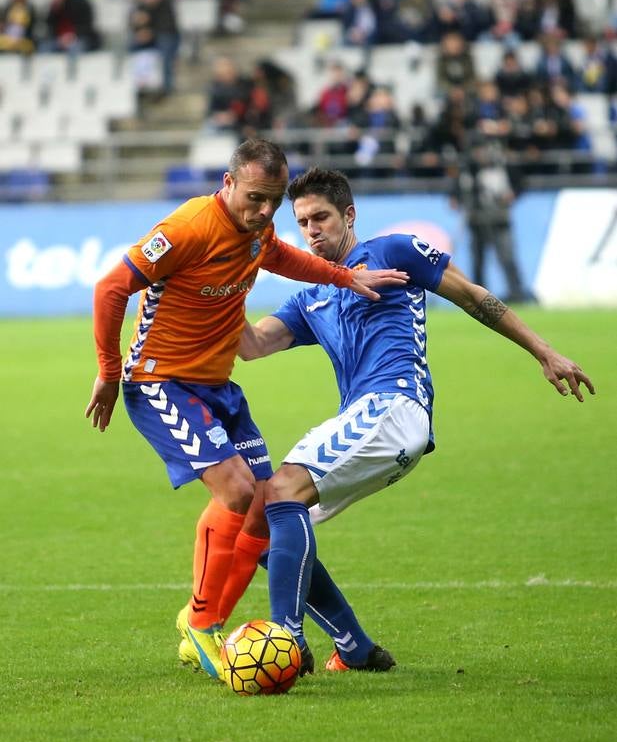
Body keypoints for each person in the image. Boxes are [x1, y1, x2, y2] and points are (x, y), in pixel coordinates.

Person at [237, 166, 594, 670]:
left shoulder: (390, 252)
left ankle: (284, 643)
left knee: (277, 494)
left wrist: (545, 352)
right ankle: (355, 648)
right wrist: (214, 288)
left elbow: (473, 295)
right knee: (264, 526)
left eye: (321, 216)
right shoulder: (312, 294)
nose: (312, 229)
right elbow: (251, 345)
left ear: (349, 215)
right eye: (303, 221)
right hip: (371, 423)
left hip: (394, 408)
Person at [85, 139, 407, 682]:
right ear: (228, 183)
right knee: (234, 491)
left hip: (218, 387)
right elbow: (112, 287)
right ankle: (204, 625)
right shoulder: (188, 228)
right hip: (161, 379)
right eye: (256, 197)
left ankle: (199, 622)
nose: (265, 212)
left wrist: (345, 276)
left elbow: (282, 256)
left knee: (262, 506)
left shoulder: (257, 229)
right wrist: (108, 369)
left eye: (274, 202)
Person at [449, 142, 529, 302]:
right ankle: (479, 296)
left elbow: (520, 183)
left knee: (507, 257)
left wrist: (513, 194)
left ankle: (516, 292)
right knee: (478, 260)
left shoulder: (501, 167)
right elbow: (456, 191)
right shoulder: (468, 171)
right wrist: (456, 199)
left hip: (499, 218)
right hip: (476, 220)